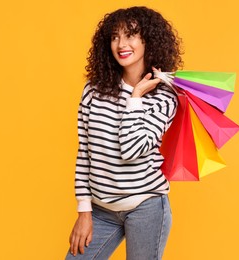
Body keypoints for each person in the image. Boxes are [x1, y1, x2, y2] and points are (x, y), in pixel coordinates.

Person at [65, 6, 183, 260]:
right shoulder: (94, 90)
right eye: (115, 36)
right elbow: (85, 152)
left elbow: (131, 150)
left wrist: (136, 97)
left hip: (146, 207)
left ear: (147, 40)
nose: (121, 44)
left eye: (130, 35)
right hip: (100, 210)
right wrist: (84, 212)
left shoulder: (164, 97)